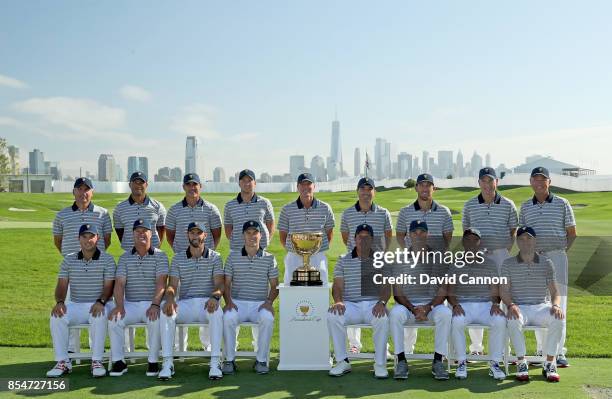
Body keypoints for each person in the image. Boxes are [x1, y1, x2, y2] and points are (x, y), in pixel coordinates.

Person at [519, 166, 576, 367]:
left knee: (559, 304)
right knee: (537, 303)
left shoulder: (562, 203)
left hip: (557, 257)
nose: (539, 183)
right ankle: (542, 350)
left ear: (549, 182)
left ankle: (559, 352)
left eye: (543, 179)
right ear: (531, 182)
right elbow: (523, 236)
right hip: (535, 259)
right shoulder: (526, 207)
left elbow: (572, 232)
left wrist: (560, 252)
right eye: (535, 179)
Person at [52, 177, 113, 353]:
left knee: (97, 308)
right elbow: (58, 241)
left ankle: (96, 349)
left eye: (87, 189)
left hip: (97, 268)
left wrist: (93, 256)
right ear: (74, 192)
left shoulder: (102, 213)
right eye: (79, 189)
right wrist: (73, 258)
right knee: (68, 306)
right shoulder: (62, 215)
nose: (83, 193)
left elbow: (106, 240)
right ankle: (70, 348)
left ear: (92, 192)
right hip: (73, 268)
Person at [395, 173, 454, 355]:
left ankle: (442, 356)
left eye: (429, 185)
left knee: (441, 306)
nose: (425, 188)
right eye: (421, 185)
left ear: (433, 188)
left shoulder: (443, 211)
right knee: (409, 300)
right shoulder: (405, 212)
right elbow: (399, 236)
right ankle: (406, 353)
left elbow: (447, 239)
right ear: (416, 188)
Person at [462, 167, 518, 356]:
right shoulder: (470, 205)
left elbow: (513, 232)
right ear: (479, 183)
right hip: (478, 256)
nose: (487, 185)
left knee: (504, 299)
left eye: (490, 181)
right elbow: (466, 231)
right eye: (483, 181)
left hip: (501, 255)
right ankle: (476, 349)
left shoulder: (508, 204)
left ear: (496, 182)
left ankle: (504, 350)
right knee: (477, 298)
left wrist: (502, 251)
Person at [158, 222, 225, 380]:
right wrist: (170, 299)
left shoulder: (215, 257)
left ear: (205, 235)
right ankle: (167, 363)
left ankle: (215, 362)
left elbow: (219, 284)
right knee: (166, 311)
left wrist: (215, 297)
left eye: (199, 233)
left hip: (206, 303)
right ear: (188, 235)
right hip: (186, 303)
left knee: (216, 312)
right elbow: (172, 285)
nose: (195, 236)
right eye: (192, 233)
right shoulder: (178, 258)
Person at [46, 224, 115, 378]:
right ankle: (62, 361)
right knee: (57, 316)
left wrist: (101, 301)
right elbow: (62, 286)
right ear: (78, 239)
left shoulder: (107, 259)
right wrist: (60, 302)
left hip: (100, 303)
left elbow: (109, 287)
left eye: (91, 236)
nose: (87, 240)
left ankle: (96, 360)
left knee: (99, 314)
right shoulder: (69, 260)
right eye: (84, 236)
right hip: (76, 304)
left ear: (97, 238)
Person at [165, 173, 222, 350]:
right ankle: (178, 347)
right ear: (184, 187)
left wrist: (206, 251)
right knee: (180, 301)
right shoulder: (174, 210)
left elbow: (216, 233)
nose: (192, 187)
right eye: (188, 184)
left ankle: (209, 348)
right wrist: (183, 254)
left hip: (206, 259)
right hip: (182, 262)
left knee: (206, 298)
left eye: (195, 184)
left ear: (200, 187)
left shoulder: (211, 209)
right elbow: (170, 235)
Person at [500, 226, 565, 382]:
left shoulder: (546, 263)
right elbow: (504, 291)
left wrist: (556, 306)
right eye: (521, 239)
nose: (525, 242)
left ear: (535, 241)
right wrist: (510, 305)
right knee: (513, 320)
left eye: (529, 238)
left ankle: (550, 363)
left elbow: (555, 292)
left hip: (541, 306)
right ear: (517, 242)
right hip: (519, 307)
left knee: (559, 319)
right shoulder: (508, 263)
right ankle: (522, 363)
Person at [389, 220, 451, 380]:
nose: (418, 235)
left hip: (432, 307)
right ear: (409, 235)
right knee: (395, 314)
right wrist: (412, 308)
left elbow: (444, 289)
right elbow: (397, 291)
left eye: (422, 231)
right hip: (408, 307)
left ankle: (438, 361)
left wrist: (428, 307)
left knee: (445, 314)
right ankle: (401, 360)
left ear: (427, 234)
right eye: (415, 232)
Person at [327, 224, 391, 379]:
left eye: (366, 237)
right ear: (354, 239)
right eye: (359, 237)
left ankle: (380, 364)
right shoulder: (343, 260)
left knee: (382, 319)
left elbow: (386, 286)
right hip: (350, 305)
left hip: (373, 305)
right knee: (333, 316)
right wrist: (338, 301)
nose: (363, 240)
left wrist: (382, 302)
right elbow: (337, 285)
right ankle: (342, 361)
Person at [108, 219, 169, 377]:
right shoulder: (124, 258)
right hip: (131, 304)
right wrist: (120, 306)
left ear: (151, 234)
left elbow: (161, 283)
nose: (141, 234)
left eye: (145, 231)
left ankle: (153, 361)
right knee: (115, 319)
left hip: (152, 303)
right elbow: (120, 284)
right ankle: (119, 361)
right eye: (138, 231)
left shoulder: (160, 256)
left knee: (155, 319)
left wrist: (155, 304)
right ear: (133, 234)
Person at [223, 169, 275, 350]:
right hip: (237, 254)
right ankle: (232, 348)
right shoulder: (230, 205)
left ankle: (258, 347)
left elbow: (270, 224)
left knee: (259, 295)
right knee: (236, 296)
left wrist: (262, 243)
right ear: (239, 183)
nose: (247, 183)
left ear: (255, 183)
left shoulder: (264, 202)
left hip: (259, 252)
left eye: (250, 181)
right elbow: (228, 227)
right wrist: (238, 243)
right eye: (243, 180)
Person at [340, 177, 393, 354]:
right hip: (354, 263)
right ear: (358, 191)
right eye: (362, 189)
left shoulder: (383, 212)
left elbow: (388, 236)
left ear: (374, 192)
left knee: (378, 305)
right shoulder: (348, 213)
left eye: (369, 189)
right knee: (352, 299)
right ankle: (354, 345)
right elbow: (345, 236)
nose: (365, 192)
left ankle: (382, 347)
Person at [447, 228, 506, 380]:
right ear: (463, 242)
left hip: (485, 305)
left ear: (480, 243)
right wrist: (455, 305)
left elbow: (495, 289)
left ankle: (494, 363)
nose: (472, 243)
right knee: (457, 321)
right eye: (468, 240)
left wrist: (495, 304)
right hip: (463, 305)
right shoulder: (455, 263)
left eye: (475, 240)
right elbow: (450, 291)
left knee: (499, 321)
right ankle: (461, 362)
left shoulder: (490, 263)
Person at [222, 221, 279, 375]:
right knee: (227, 317)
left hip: (260, 304)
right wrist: (228, 302)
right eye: (248, 233)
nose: (252, 236)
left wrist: (269, 302)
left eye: (255, 233)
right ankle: (229, 360)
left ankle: (261, 360)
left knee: (267, 318)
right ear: (243, 236)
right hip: (237, 303)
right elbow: (226, 284)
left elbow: (275, 286)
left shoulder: (269, 258)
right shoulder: (233, 257)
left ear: (261, 235)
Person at [278, 173, 335, 285]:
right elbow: (283, 236)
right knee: (292, 289)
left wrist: (316, 249)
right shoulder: (287, 209)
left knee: (319, 289)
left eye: (308, 184)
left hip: (318, 257)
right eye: (302, 184)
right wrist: (297, 251)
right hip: (294, 257)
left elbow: (329, 233)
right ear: (297, 187)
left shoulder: (325, 208)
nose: (305, 187)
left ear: (314, 186)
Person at [112, 171, 167, 251]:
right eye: (135, 182)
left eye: (141, 183)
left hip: (152, 253)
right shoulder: (119, 208)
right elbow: (120, 231)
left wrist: (156, 248)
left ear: (146, 185)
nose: (138, 185)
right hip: (129, 254)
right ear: (130, 185)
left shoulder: (158, 206)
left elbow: (161, 229)